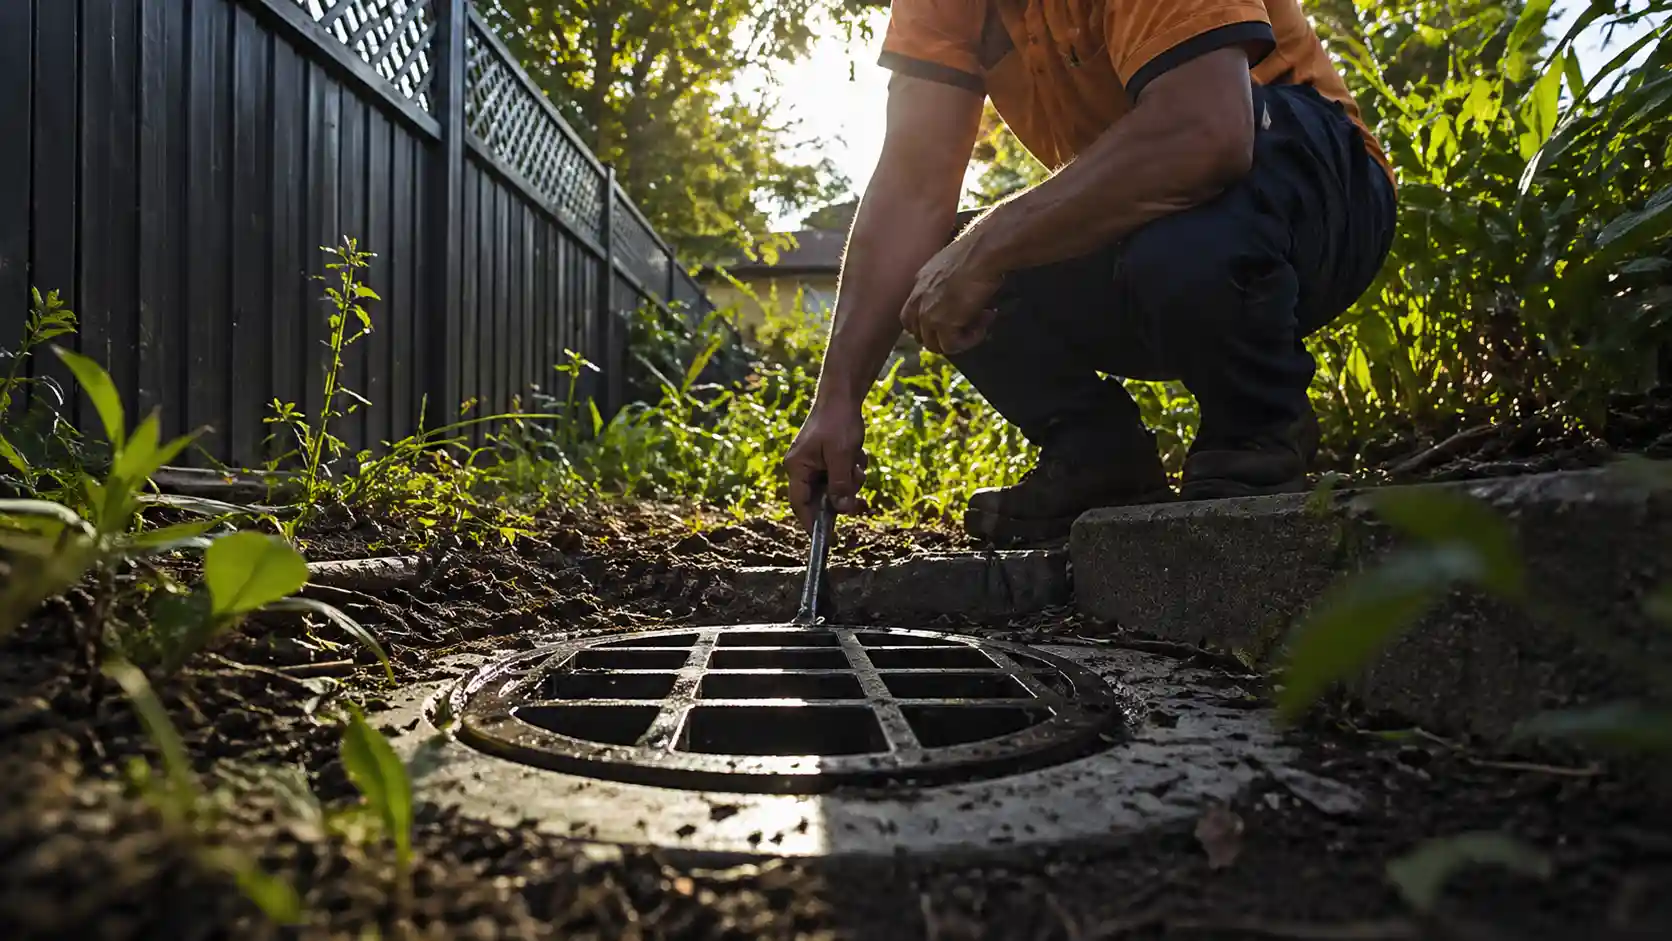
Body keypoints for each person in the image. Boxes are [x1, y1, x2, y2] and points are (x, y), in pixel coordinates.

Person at [783, 0, 1397, 546]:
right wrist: (836, 401)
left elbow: (1205, 130)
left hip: (1314, 188)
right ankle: (1099, 455)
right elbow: (913, 188)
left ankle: (1256, 430)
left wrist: (992, 244)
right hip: (1148, 215)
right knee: (937, 262)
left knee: (1167, 226)